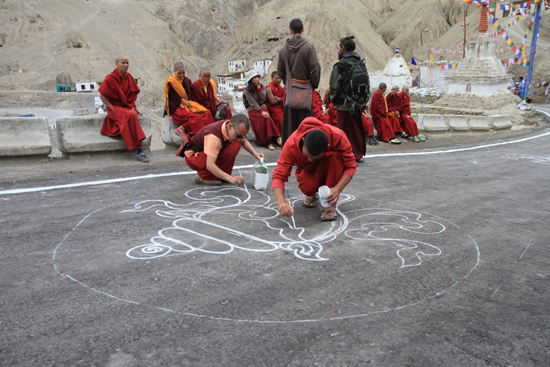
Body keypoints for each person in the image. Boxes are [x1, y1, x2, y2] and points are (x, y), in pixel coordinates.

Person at [272, 117, 357, 221]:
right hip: (307, 171)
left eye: (315, 157)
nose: (310, 160)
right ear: (303, 141)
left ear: (327, 146)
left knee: (335, 157)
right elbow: (278, 176)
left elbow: (351, 166)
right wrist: (281, 202)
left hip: (329, 167)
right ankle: (312, 195)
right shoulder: (291, 144)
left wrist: (337, 189)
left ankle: (329, 205)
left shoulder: (338, 136)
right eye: (306, 155)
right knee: (308, 188)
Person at [179, 114, 264, 186]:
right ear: (230, 126)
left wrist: (255, 154)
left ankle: (217, 175)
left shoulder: (230, 127)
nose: (240, 138)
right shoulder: (213, 137)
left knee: (236, 144)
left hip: (205, 153)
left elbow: (243, 141)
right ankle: (202, 176)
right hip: (195, 157)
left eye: (242, 136)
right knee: (229, 148)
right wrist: (230, 179)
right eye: (238, 135)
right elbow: (210, 165)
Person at [277, 18, 321, 144]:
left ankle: (290, 152)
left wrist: (289, 83)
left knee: (290, 124)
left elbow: (280, 71)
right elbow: (316, 68)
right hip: (305, 92)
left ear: (290, 31)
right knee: (306, 124)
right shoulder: (309, 47)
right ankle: (306, 151)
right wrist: (312, 84)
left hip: (290, 93)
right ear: (302, 30)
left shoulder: (283, 49)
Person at [98, 55, 148, 162]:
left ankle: (138, 148)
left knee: (132, 114)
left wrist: (135, 107)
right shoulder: (109, 78)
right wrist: (112, 108)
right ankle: (140, 150)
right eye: (123, 63)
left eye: (127, 63)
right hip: (114, 107)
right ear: (116, 64)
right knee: (131, 115)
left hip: (127, 106)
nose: (126, 65)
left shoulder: (128, 77)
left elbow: (131, 94)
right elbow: (102, 96)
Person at [329, 36, 366, 162]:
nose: (337, 50)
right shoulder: (361, 63)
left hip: (343, 105)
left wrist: (334, 99)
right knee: (355, 130)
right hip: (356, 103)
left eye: (338, 48)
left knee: (343, 131)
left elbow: (335, 86)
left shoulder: (340, 66)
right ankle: (357, 153)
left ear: (343, 48)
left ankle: (345, 155)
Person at [164, 62, 215, 137]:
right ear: (174, 71)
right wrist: (190, 106)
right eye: (179, 73)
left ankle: (210, 132)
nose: (182, 75)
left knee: (206, 112)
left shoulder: (187, 80)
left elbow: (189, 95)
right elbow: (179, 99)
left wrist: (193, 106)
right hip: (177, 108)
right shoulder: (171, 82)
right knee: (197, 116)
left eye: (183, 73)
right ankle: (191, 133)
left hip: (187, 104)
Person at [243, 71, 281, 150]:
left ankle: (272, 140)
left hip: (262, 105)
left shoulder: (263, 86)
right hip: (253, 109)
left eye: (257, 77)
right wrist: (261, 111)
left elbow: (263, 97)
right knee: (264, 118)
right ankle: (272, 140)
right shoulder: (247, 90)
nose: (256, 78)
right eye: (254, 77)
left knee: (267, 118)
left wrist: (258, 87)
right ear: (250, 80)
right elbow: (252, 102)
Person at [265, 71, 285, 135]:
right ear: (272, 78)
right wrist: (281, 100)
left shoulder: (280, 88)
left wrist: (280, 99)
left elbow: (284, 98)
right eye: (276, 78)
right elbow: (272, 102)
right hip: (272, 109)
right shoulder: (269, 88)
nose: (279, 80)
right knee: (281, 120)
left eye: (279, 78)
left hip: (280, 107)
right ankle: (280, 137)